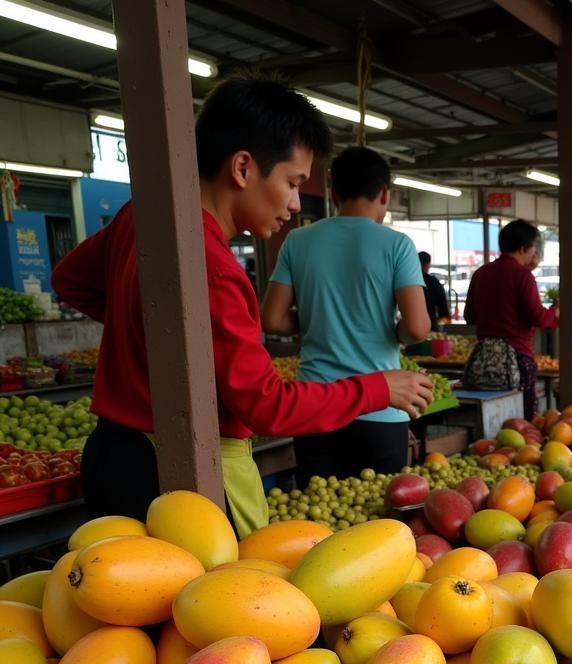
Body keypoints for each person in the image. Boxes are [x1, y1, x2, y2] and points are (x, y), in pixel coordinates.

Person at [51, 77, 432, 535]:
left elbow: (69, 280)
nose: (294, 204)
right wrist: (378, 389)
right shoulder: (215, 271)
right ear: (243, 167)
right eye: (292, 183)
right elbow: (265, 406)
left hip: (110, 455)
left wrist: (160, 337)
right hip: (177, 476)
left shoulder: (142, 216)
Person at [261, 146, 432, 485]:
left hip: (315, 405)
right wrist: (393, 333)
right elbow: (416, 327)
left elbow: (271, 320)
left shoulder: (297, 240)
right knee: (378, 523)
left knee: (318, 517)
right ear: (385, 194)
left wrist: (316, 321)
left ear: (332, 191)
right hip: (382, 405)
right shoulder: (397, 244)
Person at [463, 219, 558, 421]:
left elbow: (469, 316)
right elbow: (538, 317)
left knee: (491, 417)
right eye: (534, 248)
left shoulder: (480, 274)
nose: (535, 253)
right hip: (517, 361)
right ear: (524, 248)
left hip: (484, 359)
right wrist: (557, 312)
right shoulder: (522, 276)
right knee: (521, 420)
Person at [419, 251, 450, 331]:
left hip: (410, 326)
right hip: (430, 326)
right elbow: (443, 309)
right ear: (428, 265)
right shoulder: (433, 282)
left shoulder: (409, 281)